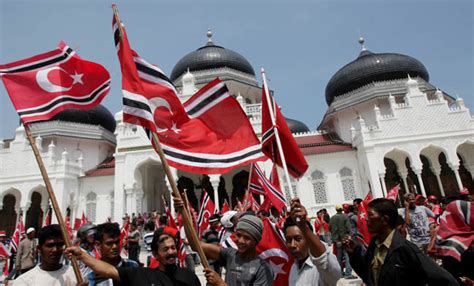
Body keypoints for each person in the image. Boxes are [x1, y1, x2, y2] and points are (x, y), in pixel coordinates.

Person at [343, 198, 458, 286]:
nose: (366, 219)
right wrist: (354, 254)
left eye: (370, 215)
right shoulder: (375, 245)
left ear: (384, 219)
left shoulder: (404, 249)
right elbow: (369, 277)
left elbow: (446, 280)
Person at [174, 195, 273, 286]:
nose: (241, 241)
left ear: (256, 240)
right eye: (238, 235)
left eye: (247, 238)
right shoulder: (230, 255)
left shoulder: (263, 269)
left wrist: (220, 283)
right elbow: (195, 245)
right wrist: (184, 213)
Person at [65, 226, 200, 286]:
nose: (171, 252)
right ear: (155, 254)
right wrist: (81, 255)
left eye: (173, 248)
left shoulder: (189, 276)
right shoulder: (143, 275)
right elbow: (108, 270)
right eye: (165, 249)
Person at [284, 198, 341, 285]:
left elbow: (324, 260)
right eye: (288, 240)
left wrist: (303, 225)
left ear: (308, 239)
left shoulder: (321, 268)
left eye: (298, 239)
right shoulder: (293, 268)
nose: (292, 245)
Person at [10, 225, 77, 285]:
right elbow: (19, 254)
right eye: (50, 245)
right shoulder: (25, 281)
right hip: (25, 264)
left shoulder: (75, 274)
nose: (55, 250)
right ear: (39, 249)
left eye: (60, 245)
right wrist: (18, 264)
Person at [329, 205, 354, 278]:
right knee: (347, 257)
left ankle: (340, 273)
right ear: (342, 209)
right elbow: (348, 228)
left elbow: (329, 228)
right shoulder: (345, 216)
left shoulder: (332, 218)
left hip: (337, 241)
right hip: (345, 240)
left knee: (339, 257)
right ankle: (348, 274)